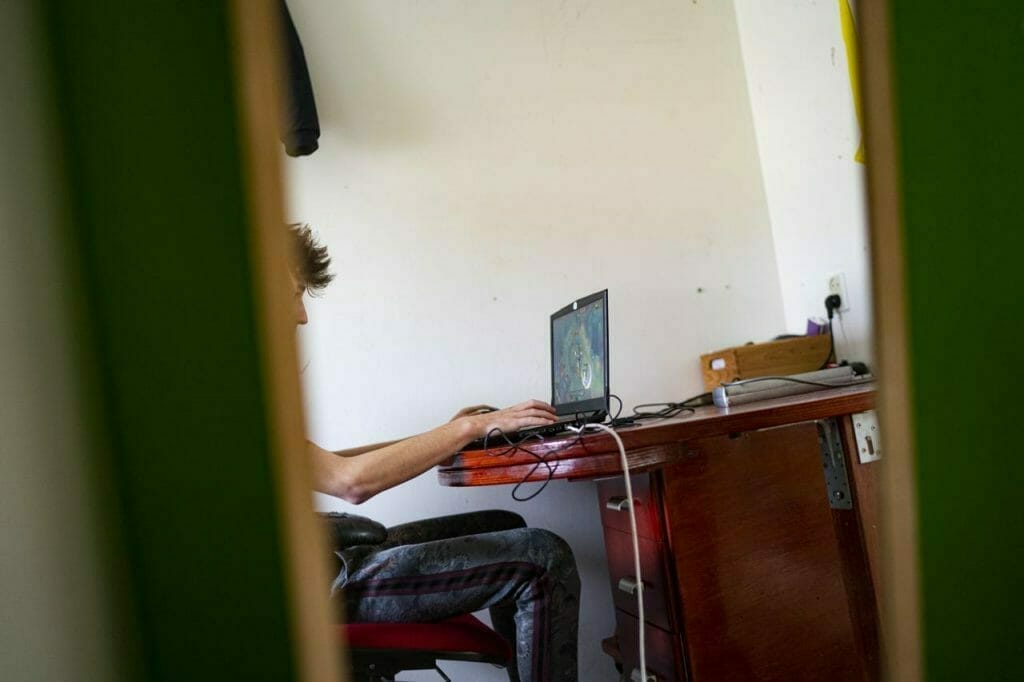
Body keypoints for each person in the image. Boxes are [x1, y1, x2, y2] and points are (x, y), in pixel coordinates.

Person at [287, 224, 581, 681]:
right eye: (293, 294)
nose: (303, 315)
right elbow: (350, 481)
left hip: (324, 557)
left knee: (504, 524)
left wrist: (444, 436)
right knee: (543, 556)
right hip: (318, 587)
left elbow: (329, 463)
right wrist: (469, 427)